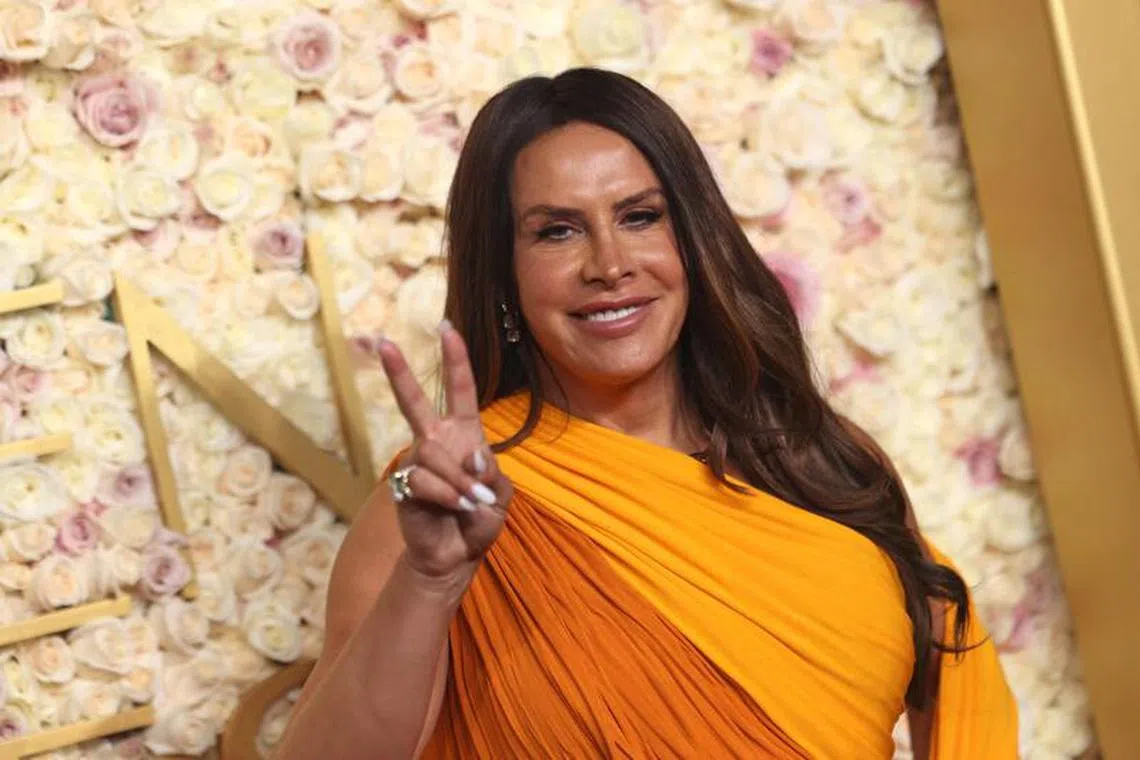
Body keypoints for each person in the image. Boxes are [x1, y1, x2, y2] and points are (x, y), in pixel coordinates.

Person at [274, 68, 1017, 759]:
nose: (609, 264)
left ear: (691, 239)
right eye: (556, 231)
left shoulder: (819, 459)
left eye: (639, 216)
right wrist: (432, 579)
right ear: (503, 270)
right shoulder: (443, 506)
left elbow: (954, 673)